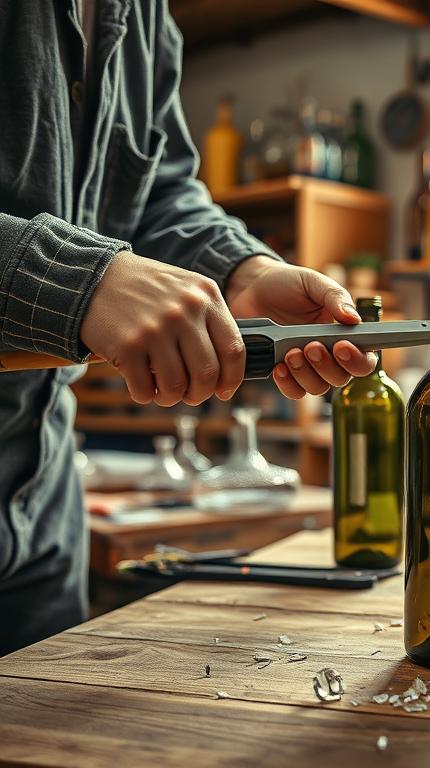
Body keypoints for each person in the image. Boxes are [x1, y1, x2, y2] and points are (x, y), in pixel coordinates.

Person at [0, 2, 376, 655]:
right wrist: (81, 280)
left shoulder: (141, 15)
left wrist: (242, 271)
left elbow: (165, 192)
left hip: (43, 506)